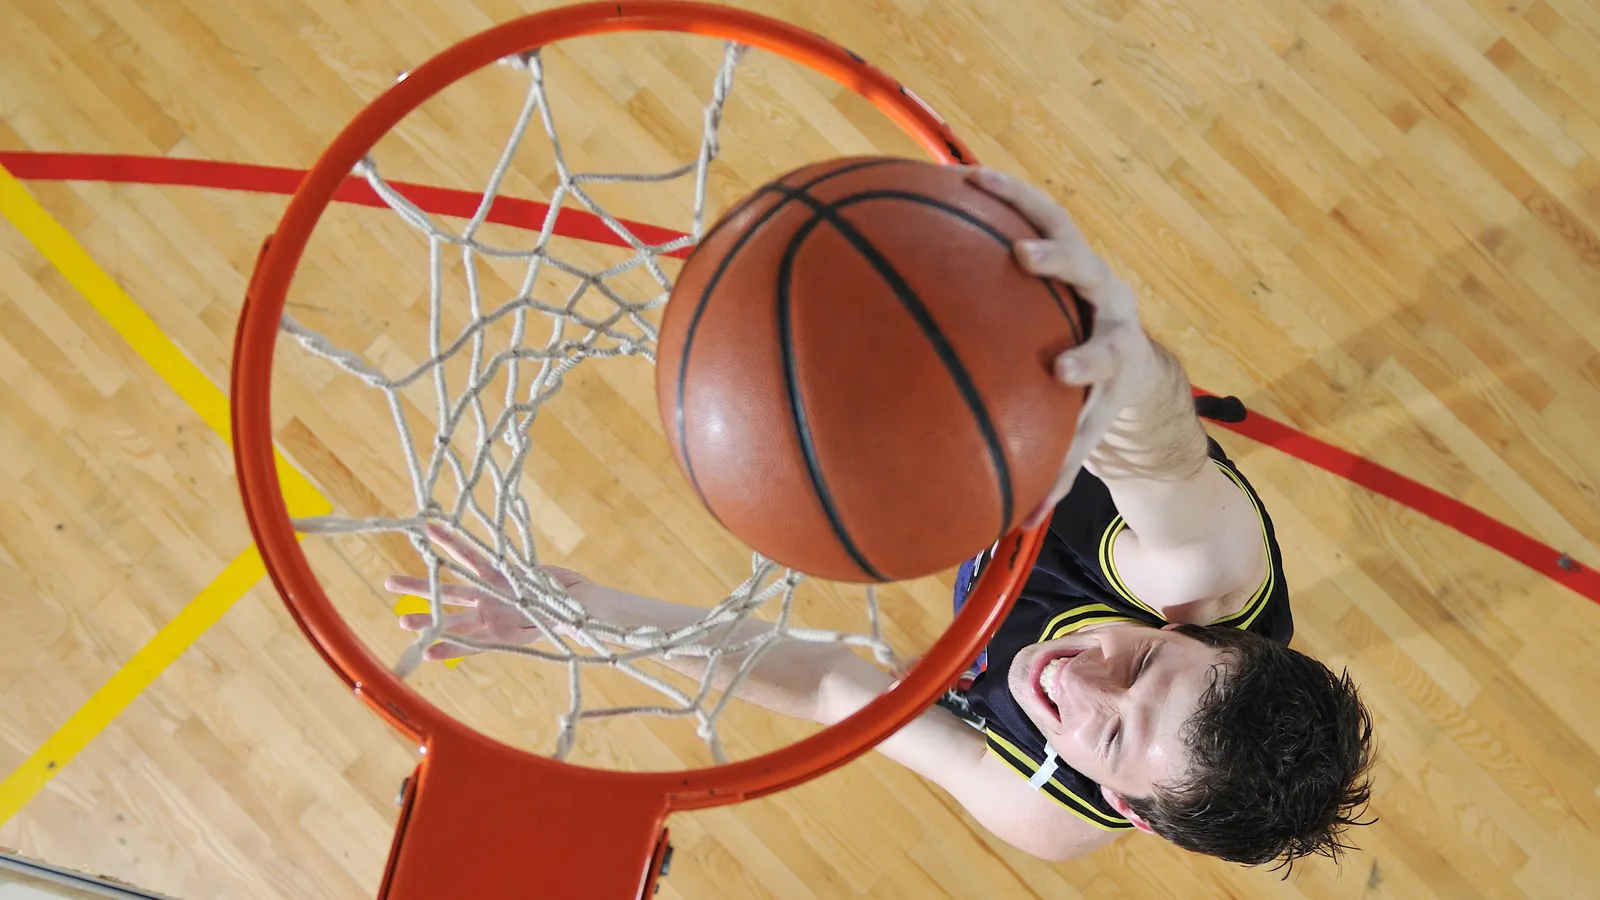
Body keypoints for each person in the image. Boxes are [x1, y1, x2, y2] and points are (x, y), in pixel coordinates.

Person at [384, 167, 1376, 870]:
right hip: (1057, 427)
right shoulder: (1203, 571)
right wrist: (1115, 344)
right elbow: (1156, 441)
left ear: (1124, 806)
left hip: (982, 498)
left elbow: (831, 684)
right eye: (1148, 667)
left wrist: (588, 615)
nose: (1080, 681)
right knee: (1129, 415)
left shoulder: (1041, 807)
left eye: (1112, 739)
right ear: (1197, 634)